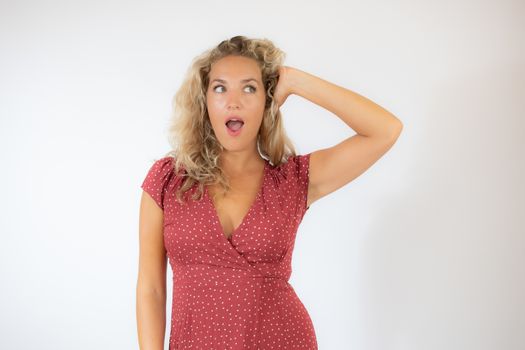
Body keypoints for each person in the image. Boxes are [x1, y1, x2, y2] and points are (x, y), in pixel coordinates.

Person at [136, 35, 402, 350]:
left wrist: (295, 81)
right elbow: (151, 288)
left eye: (249, 88)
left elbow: (385, 129)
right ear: (204, 101)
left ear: (267, 100)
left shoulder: (293, 181)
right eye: (220, 88)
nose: (233, 101)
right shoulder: (169, 180)